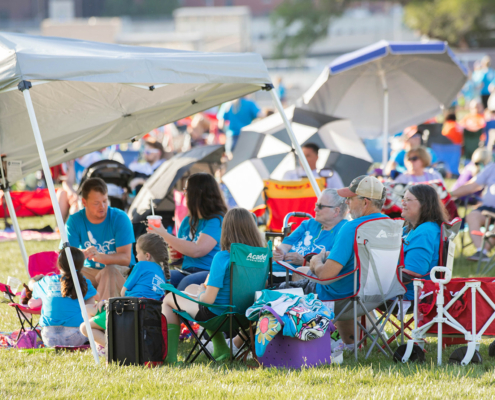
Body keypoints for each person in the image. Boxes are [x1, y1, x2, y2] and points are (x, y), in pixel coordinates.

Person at [279, 175, 387, 351]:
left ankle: (298, 346)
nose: (347, 203)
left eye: (350, 199)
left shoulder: (351, 228)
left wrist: (314, 262)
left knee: (282, 290)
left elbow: (325, 275)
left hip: (343, 297)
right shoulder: (391, 226)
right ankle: (346, 344)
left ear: (365, 202)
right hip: (379, 296)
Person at [162, 207, 265, 363]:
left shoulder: (223, 257)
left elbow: (208, 301)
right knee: (190, 288)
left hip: (219, 316)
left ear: (226, 230)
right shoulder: (261, 257)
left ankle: (170, 359)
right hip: (246, 316)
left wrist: (202, 291)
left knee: (169, 298)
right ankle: (221, 348)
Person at [81, 233, 169, 347]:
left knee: (84, 327)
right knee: (89, 309)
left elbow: (123, 292)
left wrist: (108, 303)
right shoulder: (163, 275)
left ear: (147, 256)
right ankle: (110, 340)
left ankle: (113, 350)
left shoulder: (141, 265)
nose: (136, 257)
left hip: (128, 313)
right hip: (144, 317)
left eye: (137, 253)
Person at [148, 173, 227, 290]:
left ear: (198, 193)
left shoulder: (217, 220)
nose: (184, 194)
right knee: (155, 277)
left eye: (186, 190)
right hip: (186, 270)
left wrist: (164, 234)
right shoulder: (187, 221)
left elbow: (198, 250)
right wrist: (177, 257)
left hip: (209, 272)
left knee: (186, 284)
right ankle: (153, 307)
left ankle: (173, 306)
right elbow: (185, 253)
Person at [65, 177, 136, 301]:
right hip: (90, 271)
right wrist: (82, 254)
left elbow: (125, 259)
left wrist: (100, 257)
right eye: (96, 203)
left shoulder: (119, 218)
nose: (102, 206)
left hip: (120, 272)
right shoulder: (74, 221)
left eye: (105, 200)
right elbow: (65, 256)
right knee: (68, 275)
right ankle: (76, 316)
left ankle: (105, 317)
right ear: (84, 202)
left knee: (109, 271)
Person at [29, 247, 97, 347]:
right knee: (90, 300)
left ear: (59, 264)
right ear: (81, 265)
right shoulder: (84, 282)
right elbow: (95, 299)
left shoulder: (47, 281)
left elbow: (31, 286)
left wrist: (34, 279)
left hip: (49, 338)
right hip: (77, 336)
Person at [273, 189, 347, 270]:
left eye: (320, 206)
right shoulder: (308, 224)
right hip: (278, 270)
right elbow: (286, 244)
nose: (315, 209)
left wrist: (304, 262)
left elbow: (330, 269)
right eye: (316, 205)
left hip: (298, 277)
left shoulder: (344, 231)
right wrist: (281, 253)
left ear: (336, 211)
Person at [400, 185, 449, 300]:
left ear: (424, 204)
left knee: (354, 289)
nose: (403, 203)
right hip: (404, 288)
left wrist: (375, 279)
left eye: (408, 200)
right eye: (403, 199)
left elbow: (412, 273)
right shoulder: (413, 229)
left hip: (410, 292)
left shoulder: (425, 232)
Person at [451, 159, 495, 261]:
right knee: (472, 216)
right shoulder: (492, 167)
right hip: (488, 208)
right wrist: (450, 194)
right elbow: (472, 186)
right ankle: (481, 251)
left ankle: (483, 251)